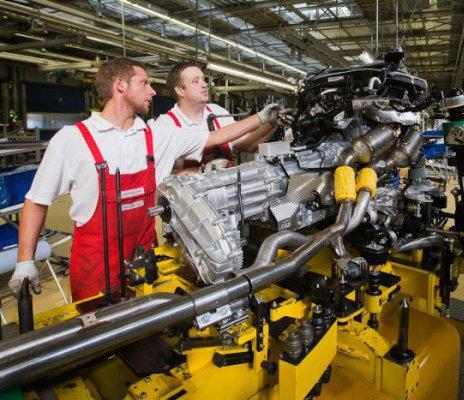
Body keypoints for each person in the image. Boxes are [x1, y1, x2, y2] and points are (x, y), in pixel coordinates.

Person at [8, 58, 282, 301]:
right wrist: (24, 261)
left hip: (147, 261)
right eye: (145, 83)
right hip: (94, 267)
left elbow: (214, 137)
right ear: (120, 85)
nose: (153, 90)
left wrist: (260, 118)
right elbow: (36, 201)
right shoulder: (73, 139)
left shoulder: (156, 137)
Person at [155, 62, 284, 169]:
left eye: (203, 79)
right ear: (180, 90)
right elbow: (163, 177)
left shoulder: (218, 112)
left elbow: (247, 145)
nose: (204, 84)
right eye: (196, 81)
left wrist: (272, 124)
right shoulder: (166, 124)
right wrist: (202, 172)